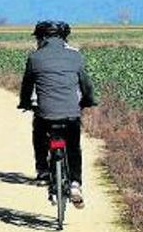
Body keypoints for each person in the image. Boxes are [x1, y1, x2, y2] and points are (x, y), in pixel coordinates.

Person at [18, 20, 98, 208]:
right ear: (64, 37)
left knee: (39, 134)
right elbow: (86, 84)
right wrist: (88, 100)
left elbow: (27, 86)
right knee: (73, 147)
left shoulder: (34, 57)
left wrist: (24, 102)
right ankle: (75, 183)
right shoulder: (75, 56)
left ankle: (43, 172)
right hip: (71, 113)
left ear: (41, 38)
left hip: (45, 113)